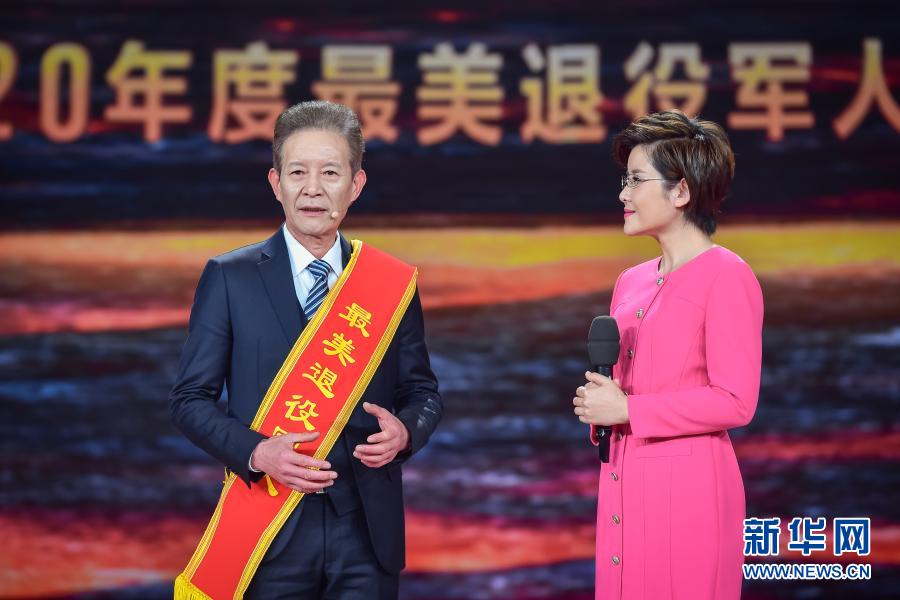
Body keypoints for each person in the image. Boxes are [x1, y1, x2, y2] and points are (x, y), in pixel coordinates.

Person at [170, 100, 442, 599]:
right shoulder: (230, 277)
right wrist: (256, 452)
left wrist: (406, 433)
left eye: (330, 173)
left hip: (366, 532)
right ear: (276, 183)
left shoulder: (390, 283)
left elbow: (422, 392)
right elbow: (190, 400)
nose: (313, 188)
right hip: (267, 531)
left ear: (356, 185)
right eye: (298, 172)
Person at [571, 110, 763, 599]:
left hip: (690, 494)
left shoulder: (727, 275)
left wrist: (629, 410)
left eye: (636, 180)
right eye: (624, 180)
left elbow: (735, 400)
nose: (623, 194)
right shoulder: (630, 281)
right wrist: (602, 405)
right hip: (622, 479)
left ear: (681, 192)